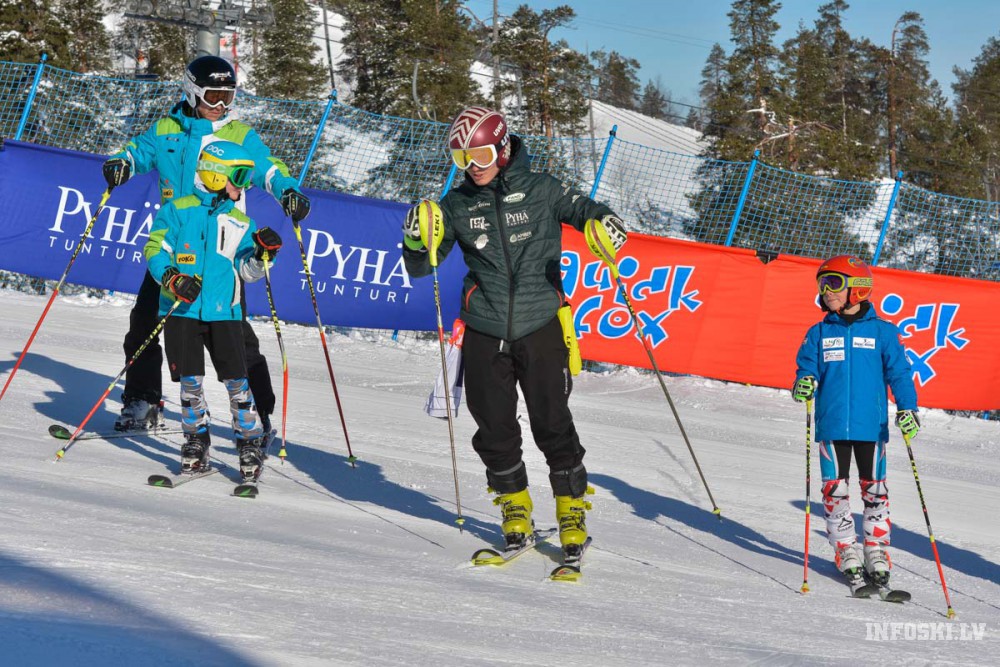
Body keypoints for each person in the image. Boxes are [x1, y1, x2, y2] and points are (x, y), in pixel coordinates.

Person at [401, 106, 628, 560]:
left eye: (481, 154)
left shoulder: (543, 188)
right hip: (484, 328)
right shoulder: (457, 204)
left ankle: (571, 512)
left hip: (540, 323)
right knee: (494, 427)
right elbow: (422, 266)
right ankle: (515, 511)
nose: (473, 166)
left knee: (552, 422)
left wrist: (604, 224)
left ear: (503, 149)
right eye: (462, 158)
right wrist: (414, 240)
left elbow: (586, 211)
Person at [102, 55, 311, 433]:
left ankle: (259, 413)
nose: (220, 105)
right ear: (192, 90)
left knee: (234, 339)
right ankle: (142, 400)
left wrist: (288, 191)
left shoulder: (238, 135)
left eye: (227, 97)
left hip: (220, 253)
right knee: (144, 324)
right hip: (175, 248)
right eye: (213, 95)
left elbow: (269, 169)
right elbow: (136, 152)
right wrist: (121, 163)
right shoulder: (167, 129)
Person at [144, 140, 282, 479]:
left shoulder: (241, 222)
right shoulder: (177, 210)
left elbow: (247, 272)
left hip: (224, 314)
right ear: (216, 175)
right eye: (240, 177)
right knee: (189, 382)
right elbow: (155, 249)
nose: (244, 186)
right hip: (182, 310)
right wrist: (172, 278)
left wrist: (263, 256)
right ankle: (196, 439)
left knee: (237, 381)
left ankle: (249, 440)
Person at [792, 255, 920, 588]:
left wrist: (907, 408)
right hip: (832, 425)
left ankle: (876, 548)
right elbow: (806, 367)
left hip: (870, 427)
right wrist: (805, 381)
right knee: (835, 490)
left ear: (858, 288)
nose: (826, 291)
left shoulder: (883, 332)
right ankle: (845, 547)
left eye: (833, 283)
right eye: (822, 284)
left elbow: (899, 373)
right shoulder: (819, 332)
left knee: (875, 490)